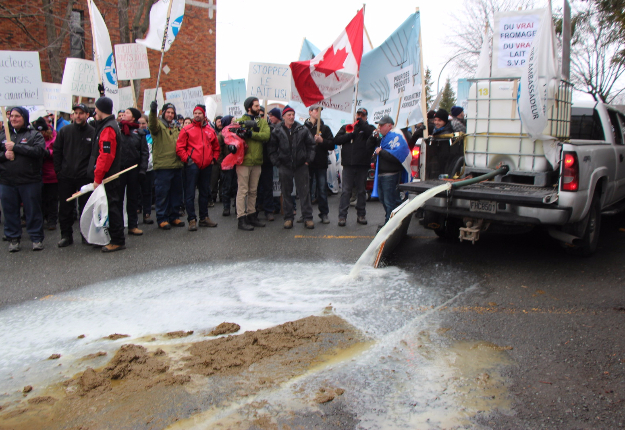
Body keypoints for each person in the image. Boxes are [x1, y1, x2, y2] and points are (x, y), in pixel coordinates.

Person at [0, 107, 46, 252]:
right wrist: (4, 156)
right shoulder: (3, 135)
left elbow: (39, 152)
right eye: (11, 116)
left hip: (29, 180)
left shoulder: (34, 135)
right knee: (10, 211)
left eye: (17, 116)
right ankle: (13, 238)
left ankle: (36, 238)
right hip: (7, 181)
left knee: (32, 210)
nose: (13, 119)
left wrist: (17, 148)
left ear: (24, 118)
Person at [54, 103, 95, 247]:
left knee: (85, 208)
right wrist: (58, 171)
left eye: (81, 113)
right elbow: (57, 151)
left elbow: (94, 155)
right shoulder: (64, 131)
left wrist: (91, 173)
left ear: (87, 115)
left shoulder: (92, 132)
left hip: (84, 177)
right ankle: (66, 235)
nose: (78, 115)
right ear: (72, 115)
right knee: (65, 208)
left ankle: (85, 235)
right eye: (76, 113)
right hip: (66, 176)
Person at [268, 105, 315, 229]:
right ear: (283, 117)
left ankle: (308, 218)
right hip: (285, 165)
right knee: (286, 193)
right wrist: (277, 163)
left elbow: (311, 145)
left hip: (301, 165)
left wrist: (308, 160)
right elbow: (271, 149)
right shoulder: (276, 130)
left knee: (304, 192)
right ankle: (288, 218)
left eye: (293, 114)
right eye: (289, 115)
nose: (291, 117)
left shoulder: (302, 129)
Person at [88, 97, 125, 252]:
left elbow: (106, 156)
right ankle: (114, 237)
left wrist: (98, 177)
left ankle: (117, 240)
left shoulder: (108, 128)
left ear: (100, 109)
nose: (94, 111)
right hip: (111, 174)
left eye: (96, 108)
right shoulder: (107, 125)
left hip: (110, 176)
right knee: (112, 206)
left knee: (113, 207)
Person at [176, 104, 220, 231]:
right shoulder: (186, 130)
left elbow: (216, 148)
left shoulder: (210, 131)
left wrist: (213, 159)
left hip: (206, 165)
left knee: (204, 193)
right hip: (192, 166)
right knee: (190, 193)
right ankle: (192, 219)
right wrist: (188, 160)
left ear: (204, 114)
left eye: (199, 113)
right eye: (195, 113)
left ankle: (204, 217)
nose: (197, 115)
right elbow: (180, 148)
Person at [333, 107, 376, 226]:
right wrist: (350, 135)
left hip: (362, 163)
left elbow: (373, 136)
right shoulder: (347, 127)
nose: (360, 117)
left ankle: (361, 214)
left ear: (366, 117)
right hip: (349, 164)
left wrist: (362, 125)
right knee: (346, 190)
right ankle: (342, 216)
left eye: (362, 115)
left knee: (361, 190)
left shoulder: (369, 128)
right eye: (358, 115)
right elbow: (336, 140)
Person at [233, 97, 270, 231]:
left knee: (253, 190)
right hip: (244, 160)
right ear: (249, 107)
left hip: (257, 160)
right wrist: (242, 132)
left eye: (258, 105)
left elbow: (266, 136)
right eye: (256, 106)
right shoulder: (240, 121)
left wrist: (251, 134)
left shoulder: (262, 121)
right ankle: (241, 218)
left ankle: (251, 215)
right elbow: (233, 136)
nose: (258, 107)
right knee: (243, 190)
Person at [148, 101, 185, 230]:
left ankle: (174, 216)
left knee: (176, 193)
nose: (170, 115)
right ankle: (162, 218)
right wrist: (153, 111)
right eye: (168, 112)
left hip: (176, 165)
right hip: (163, 166)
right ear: (163, 113)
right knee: (162, 193)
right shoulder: (158, 126)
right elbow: (151, 124)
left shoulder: (176, 127)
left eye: (172, 113)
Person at [369, 115, 410, 229]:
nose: (379, 127)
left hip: (390, 175)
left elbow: (397, 157)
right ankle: (390, 220)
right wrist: (373, 137)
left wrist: (381, 152)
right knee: (383, 199)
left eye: (382, 125)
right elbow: (368, 146)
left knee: (389, 201)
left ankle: (390, 224)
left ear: (389, 126)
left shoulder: (396, 137)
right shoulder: (383, 138)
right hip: (382, 174)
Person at [118, 107, 149, 236]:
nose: (124, 114)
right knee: (118, 199)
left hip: (133, 170)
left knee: (132, 198)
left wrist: (142, 169)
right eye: (123, 113)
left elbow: (144, 153)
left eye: (127, 113)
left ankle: (132, 225)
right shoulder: (117, 130)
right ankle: (118, 225)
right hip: (119, 170)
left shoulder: (139, 133)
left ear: (134, 117)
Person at [304, 106, 334, 224]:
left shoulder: (325, 128)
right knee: (306, 190)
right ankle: (306, 214)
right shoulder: (304, 128)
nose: (318, 113)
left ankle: (324, 213)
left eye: (320, 111)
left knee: (322, 189)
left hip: (321, 163)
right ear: (310, 112)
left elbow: (332, 144)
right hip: (307, 163)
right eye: (316, 110)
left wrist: (322, 141)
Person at [256, 107, 282, 221]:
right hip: (255, 161)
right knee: (255, 188)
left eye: (263, 115)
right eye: (259, 116)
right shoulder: (254, 128)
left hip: (267, 161)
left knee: (268, 187)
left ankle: (268, 210)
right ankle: (254, 211)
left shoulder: (271, 128)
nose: (261, 118)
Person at [34, 117, 59, 231]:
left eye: (42, 131)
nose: (40, 133)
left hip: (51, 173)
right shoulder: (34, 137)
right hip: (39, 173)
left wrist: (47, 153)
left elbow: (58, 152)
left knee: (52, 198)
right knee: (41, 198)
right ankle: (43, 218)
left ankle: (52, 220)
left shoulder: (54, 137)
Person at [217, 115, 237, 217]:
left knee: (236, 186)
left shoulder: (236, 134)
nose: (234, 123)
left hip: (236, 164)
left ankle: (237, 206)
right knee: (226, 187)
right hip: (226, 165)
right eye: (232, 121)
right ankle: (226, 207)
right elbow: (219, 151)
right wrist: (221, 164)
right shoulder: (221, 136)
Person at [137, 115, 155, 224]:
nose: (141, 125)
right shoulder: (134, 135)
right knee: (136, 192)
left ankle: (147, 214)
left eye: (144, 123)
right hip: (136, 168)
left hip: (149, 168)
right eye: (139, 123)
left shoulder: (151, 137)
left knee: (147, 192)